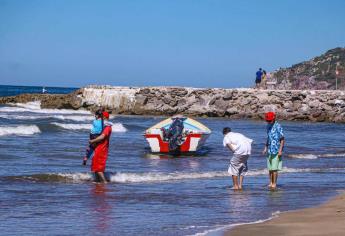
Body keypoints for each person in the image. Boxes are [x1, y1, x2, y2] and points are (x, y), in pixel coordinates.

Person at [262, 112, 285, 189]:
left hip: (276, 149)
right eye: (267, 120)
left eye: (270, 120)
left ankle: (274, 183)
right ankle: (271, 182)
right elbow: (268, 138)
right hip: (269, 150)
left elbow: (282, 139)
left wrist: (280, 150)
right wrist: (265, 147)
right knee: (270, 169)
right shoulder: (268, 126)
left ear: (274, 118)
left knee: (274, 169)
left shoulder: (278, 126)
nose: (268, 122)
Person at [89, 111, 113, 183]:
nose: (100, 118)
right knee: (95, 166)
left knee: (99, 168)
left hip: (102, 149)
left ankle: (104, 182)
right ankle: (97, 182)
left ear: (104, 117)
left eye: (101, 117)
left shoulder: (107, 127)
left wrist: (93, 141)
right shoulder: (104, 126)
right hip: (99, 148)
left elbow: (102, 137)